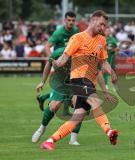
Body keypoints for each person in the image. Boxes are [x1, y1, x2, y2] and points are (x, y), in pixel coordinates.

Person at [40, 10, 118, 150]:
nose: (103, 28)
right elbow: (64, 57)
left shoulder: (102, 40)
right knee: (96, 103)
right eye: (101, 24)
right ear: (93, 20)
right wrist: (56, 64)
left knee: (77, 117)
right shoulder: (77, 38)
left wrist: (111, 71)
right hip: (79, 79)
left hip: (89, 82)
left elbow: (103, 62)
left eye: (105, 26)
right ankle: (109, 131)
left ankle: (50, 141)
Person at [32, 11, 81, 145]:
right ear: (65, 20)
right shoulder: (59, 38)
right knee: (54, 106)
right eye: (69, 20)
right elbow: (48, 51)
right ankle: (41, 129)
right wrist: (53, 62)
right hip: (60, 72)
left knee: (80, 105)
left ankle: (73, 139)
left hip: (75, 74)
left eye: (73, 20)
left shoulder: (77, 35)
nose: (71, 23)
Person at [103, 26, 118, 91]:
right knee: (104, 71)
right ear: (104, 31)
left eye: (109, 31)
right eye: (107, 31)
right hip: (104, 58)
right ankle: (105, 85)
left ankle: (114, 85)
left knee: (113, 71)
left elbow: (117, 48)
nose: (108, 32)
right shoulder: (101, 38)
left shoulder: (113, 39)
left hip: (111, 58)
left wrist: (114, 50)